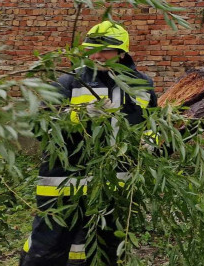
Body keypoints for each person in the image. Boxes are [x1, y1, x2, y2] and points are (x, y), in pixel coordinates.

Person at [20, 21, 157, 266]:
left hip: (113, 188)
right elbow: (39, 127)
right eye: (92, 50)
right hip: (63, 185)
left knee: (103, 250)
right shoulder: (70, 82)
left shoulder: (143, 86)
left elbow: (152, 124)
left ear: (122, 53)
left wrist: (150, 141)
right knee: (47, 248)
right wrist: (77, 116)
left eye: (104, 50)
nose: (97, 56)